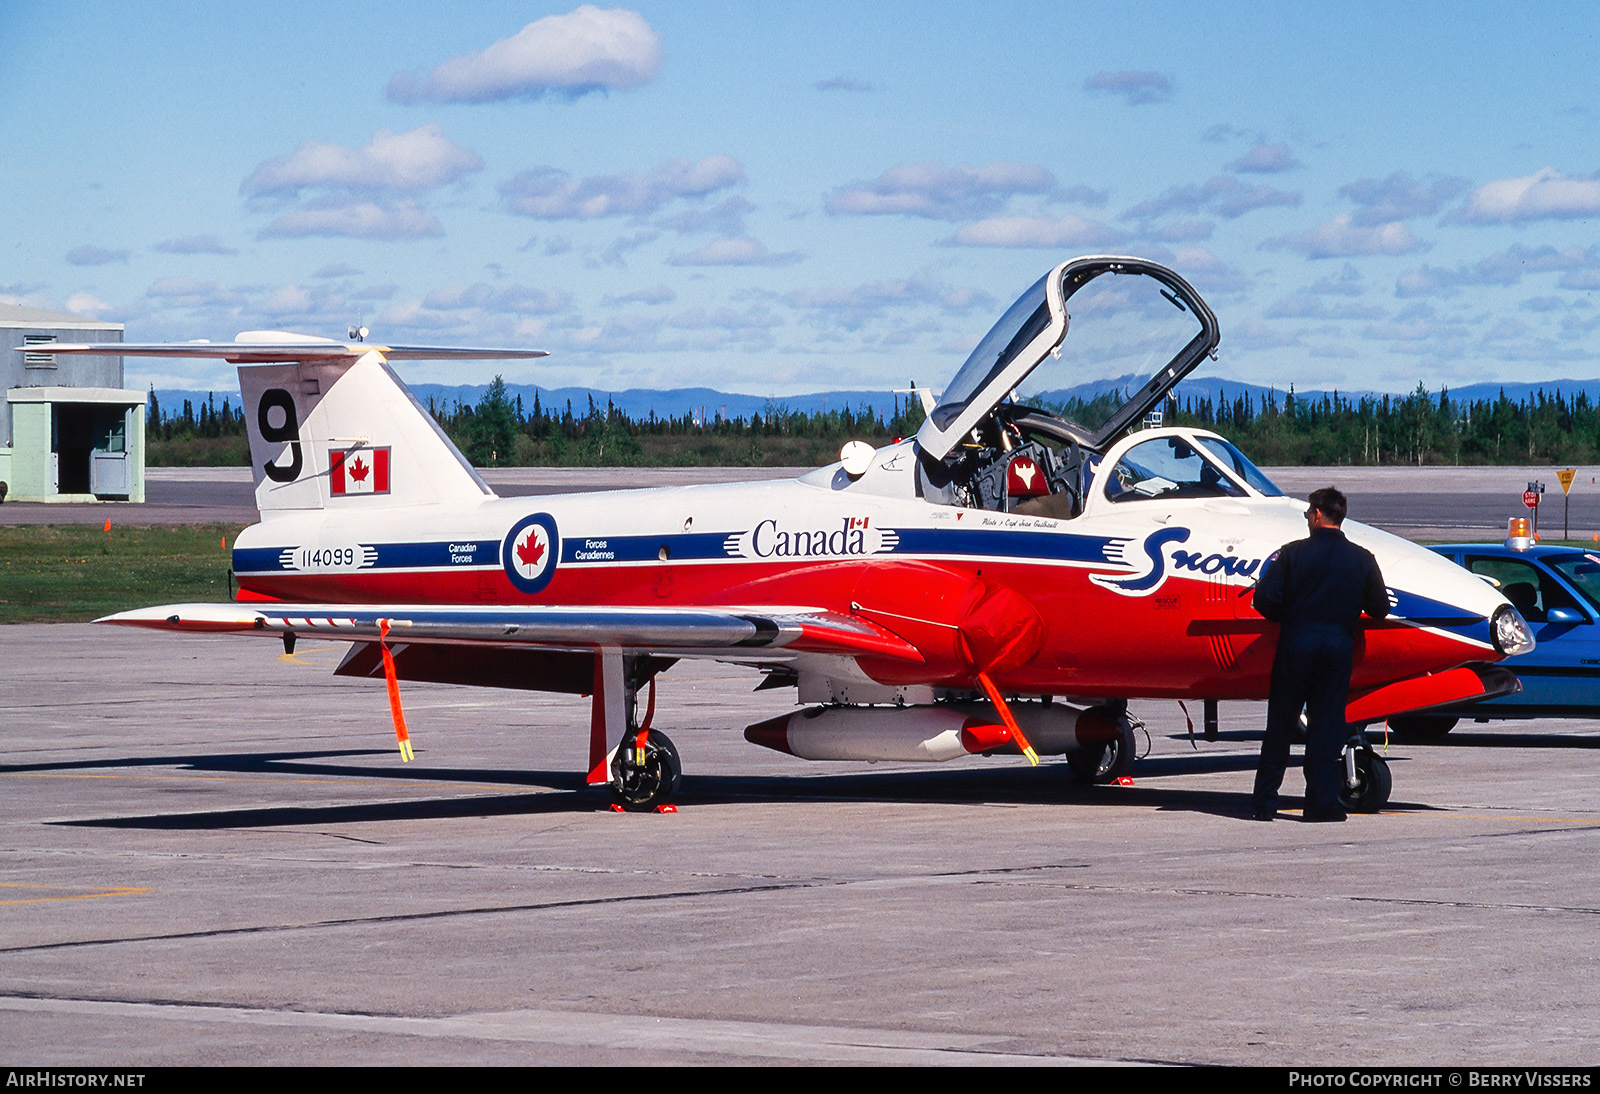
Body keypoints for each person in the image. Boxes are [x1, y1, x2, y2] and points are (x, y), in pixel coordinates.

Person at [1251, 487, 1389, 822]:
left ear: (1315, 515)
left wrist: (1291, 615)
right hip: (1337, 648)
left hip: (1296, 645)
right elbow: (1380, 608)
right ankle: (1320, 804)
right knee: (1326, 729)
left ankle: (1265, 803)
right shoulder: (1362, 558)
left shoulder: (1292, 554)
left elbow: (1263, 600)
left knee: (1280, 726)